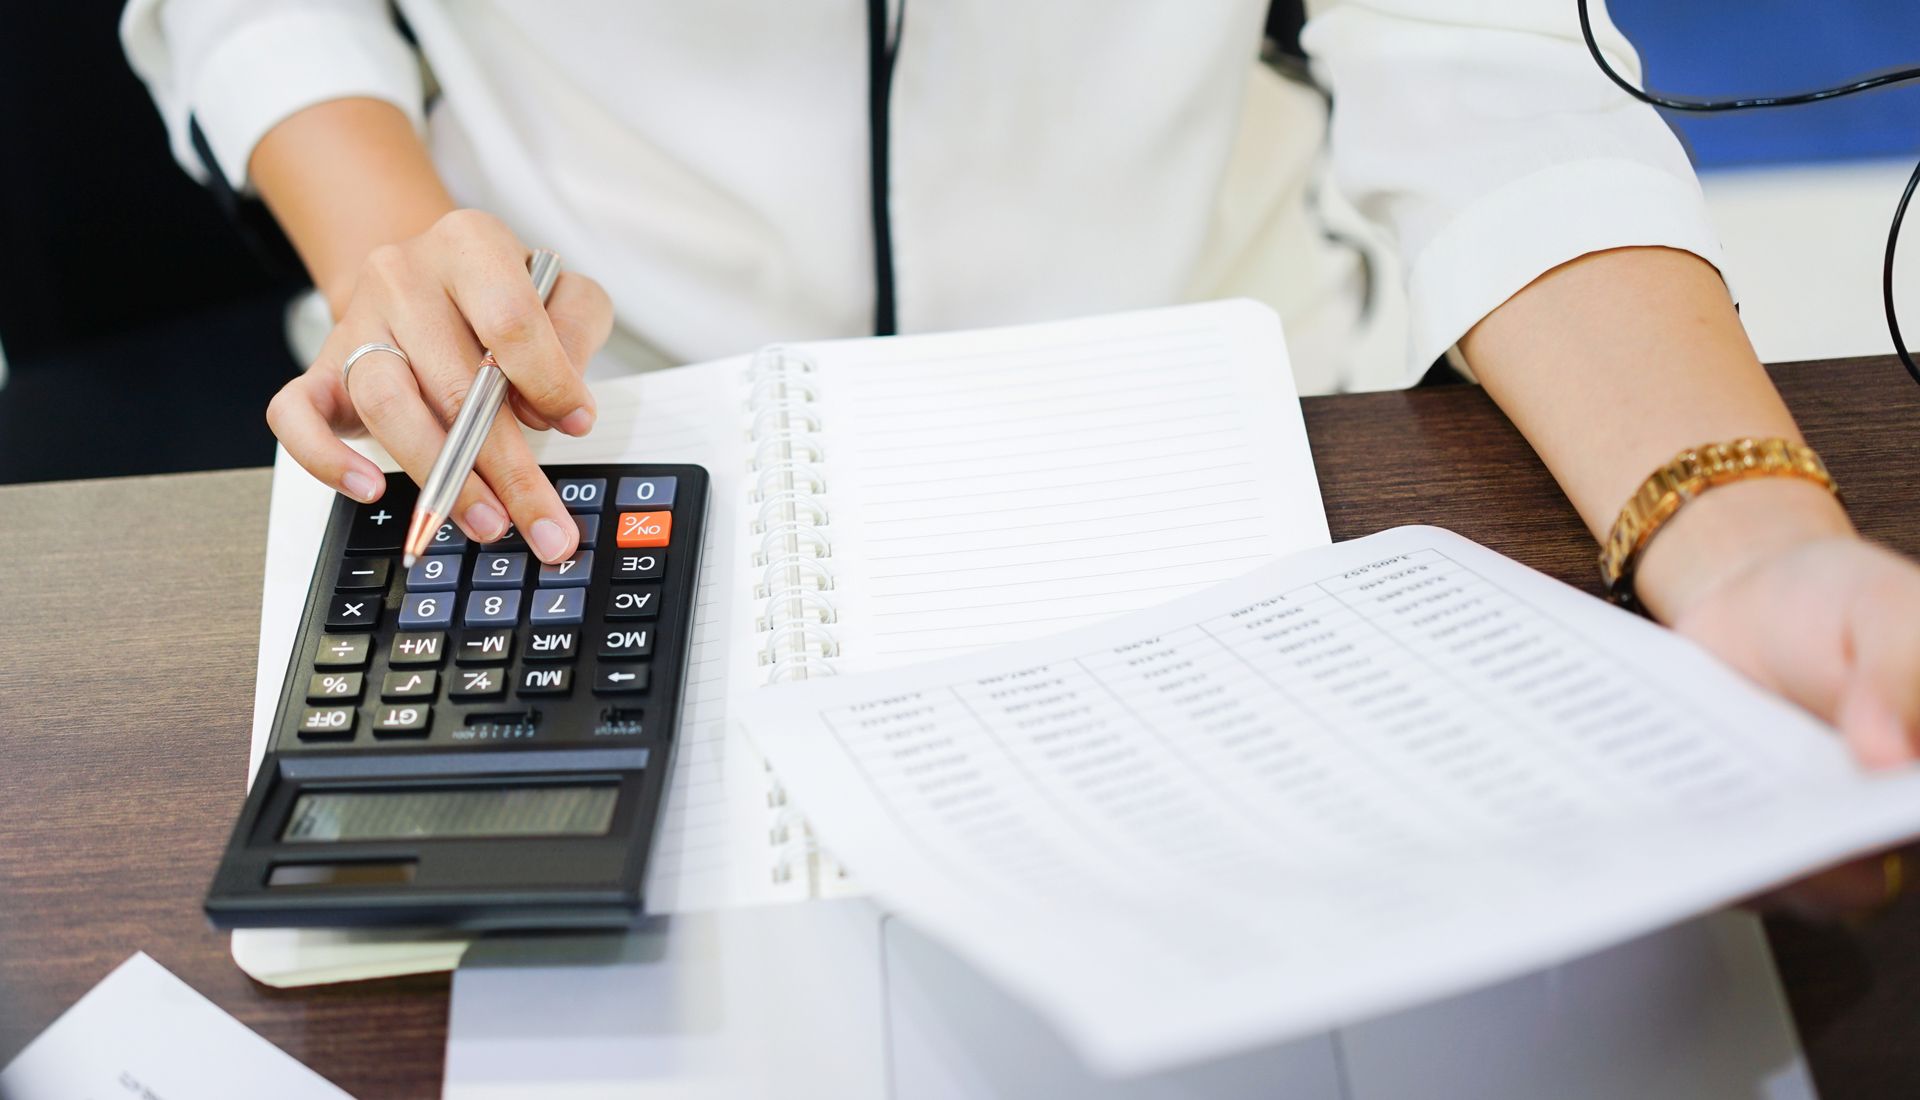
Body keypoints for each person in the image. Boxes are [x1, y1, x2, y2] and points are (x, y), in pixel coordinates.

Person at [125, 0, 1920, 911]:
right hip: (597, 410)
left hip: (1232, 396)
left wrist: (1745, 539)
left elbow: (1471, 44)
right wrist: (392, 237)